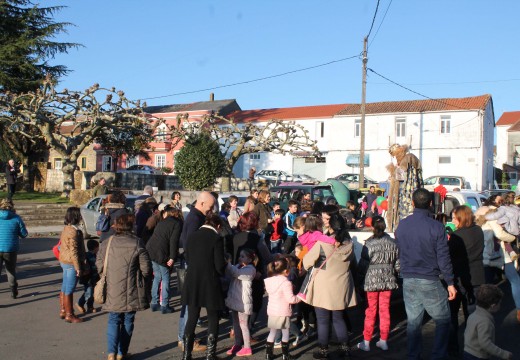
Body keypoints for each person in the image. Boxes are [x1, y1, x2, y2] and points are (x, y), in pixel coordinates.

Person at [395, 188, 457, 360]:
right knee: (443, 320)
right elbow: (444, 258)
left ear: (413, 203)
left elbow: (400, 249)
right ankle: (438, 355)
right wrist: (450, 282)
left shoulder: (403, 225)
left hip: (408, 277)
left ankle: (413, 355)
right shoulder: (437, 227)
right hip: (429, 278)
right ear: (431, 204)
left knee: (414, 321)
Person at [96, 214, 152, 360]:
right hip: (132, 288)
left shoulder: (106, 243)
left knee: (113, 319)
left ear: (116, 226)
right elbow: (146, 269)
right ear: (131, 226)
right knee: (128, 319)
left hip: (112, 288)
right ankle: (122, 352)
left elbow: (99, 266)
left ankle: (111, 353)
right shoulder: (137, 243)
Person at [302, 220, 357, 360]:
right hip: (341, 285)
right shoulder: (349, 246)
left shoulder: (322, 245)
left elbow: (306, 262)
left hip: (323, 286)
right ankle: (345, 348)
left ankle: (323, 350)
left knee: (322, 319)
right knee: (339, 318)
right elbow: (354, 264)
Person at [181, 214, 227, 360]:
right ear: (218, 226)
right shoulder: (216, 238)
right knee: (213, 317)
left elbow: (187, 258)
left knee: (192, 317)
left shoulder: (192, 236)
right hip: (210, 282)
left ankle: (186, 355)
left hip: (192, 281)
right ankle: (210, 355)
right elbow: (219, 266)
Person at [177, 191, 215, 352]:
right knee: (190, 304)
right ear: (201, 203)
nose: (212, 210)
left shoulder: (195, 216)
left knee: (190, 304)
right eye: (210, 206)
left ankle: (185, 339)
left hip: (192, 263)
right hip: (192, 264)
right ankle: (185, 340)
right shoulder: (195, 218)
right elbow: (189, 242)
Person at [357, 216, 400, 352]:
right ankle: (383, 340)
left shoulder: (369, 244)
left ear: (373, 227)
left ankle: (367, 341)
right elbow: (398, 265)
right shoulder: (393, 243)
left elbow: (363, 266)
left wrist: (358, 280)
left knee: (370, 311)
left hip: (371, 281)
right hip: (388, 281)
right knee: (385, 310)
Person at [146, 205, 182, 314]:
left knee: (157, 276)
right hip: (162, 252)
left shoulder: (162, 222)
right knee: (165, 278)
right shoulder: (177, 224)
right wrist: (172, 257)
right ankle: (164, 304)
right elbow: (173, 241)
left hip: (151, 250)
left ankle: (154, 302)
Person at [463, 284, 513, 360]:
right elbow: (486, 344)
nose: (500, 305)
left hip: (468, 352)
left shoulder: (473, 315)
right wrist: (504, 354)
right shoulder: (485, 321)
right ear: (493, 306)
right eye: (499, 303)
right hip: (478, 355)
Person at [264, 256, 300, 360]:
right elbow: (291, 299)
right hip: (283, 311)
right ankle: (285, 355)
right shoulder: (286, 283)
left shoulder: (270, 281)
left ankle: (268, 355)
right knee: (285, 333)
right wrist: (300, 297)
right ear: (286, 271)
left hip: (272, 311)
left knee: (272, 332)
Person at [225, 249, 257, 357]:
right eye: (240, 256)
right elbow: (231, 273)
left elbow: (236, 273)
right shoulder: (239, 266)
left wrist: (228, 262)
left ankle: (247, 347)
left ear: (249, 259)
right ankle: (238, 344)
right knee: (236, 324)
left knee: (243, 325)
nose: (240, 258)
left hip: (243, 303)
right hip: (235, 300)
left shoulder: (250, 269)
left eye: (243, 256)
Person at [58, 207, 87, 323]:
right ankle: (69, 314)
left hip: (64, 260)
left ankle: (63, 310)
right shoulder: (73, 231)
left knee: (65, 286)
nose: (81, 217)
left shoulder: (67, 228)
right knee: (69, 288)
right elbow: (74, 251)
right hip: (71, 262)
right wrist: (78, 267)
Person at [386, 143, 424, 232]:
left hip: (407, 196)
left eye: (395, 156)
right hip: (403, 195)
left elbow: (402, 175)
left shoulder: (408, 158)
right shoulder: (405, 160)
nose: (395, 158)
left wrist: (395, 171)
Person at [0, 198, 28, 299]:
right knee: (10, 270)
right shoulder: (16, 218)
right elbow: (24, 234)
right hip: (11, 248)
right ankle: (13, 290)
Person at [75, 239, 100, 314]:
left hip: (95, 278)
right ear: (95, 248)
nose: (98, 249)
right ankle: (80, 303)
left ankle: (90, 307)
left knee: (92, 293)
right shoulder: (87, 256)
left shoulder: (96, 255)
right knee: (89, 292)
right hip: (88, 279)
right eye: (98, 247)